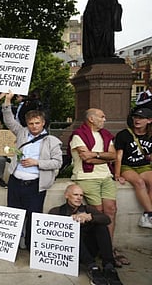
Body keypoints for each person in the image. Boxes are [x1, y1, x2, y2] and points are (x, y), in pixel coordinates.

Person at [2, 92, 62, 249]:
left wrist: (37, 162)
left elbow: (58, 162)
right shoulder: (22, 133)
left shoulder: (52, 141)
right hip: (16, 181)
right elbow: (9, 120)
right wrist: (8, 100)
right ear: (27, 124)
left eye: (37, 123)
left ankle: (31, 246)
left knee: (34, 215)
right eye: (31, 123)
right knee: (14, 214)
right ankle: (12, 246)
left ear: (43, 123)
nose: (34, 126)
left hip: (35, 184)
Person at [68, 108, 128, 267]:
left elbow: (113, 156)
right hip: (87, 177)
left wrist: (95, 154)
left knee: (111, 210)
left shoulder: (106, 135)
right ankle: (101, 249)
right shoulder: (78, 135)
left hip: (106, 177)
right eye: (102, 116)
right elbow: (86, 159)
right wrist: (103, 155)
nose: (105, 119)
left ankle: (108, 248)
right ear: (91, 119)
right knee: (99, 213)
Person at [49, 184, 123, 285]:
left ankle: (109, 266)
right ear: (66, 195)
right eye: (75, 194)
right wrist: (70, 220)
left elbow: (107, 220)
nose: (79, 198)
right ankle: (93, 267)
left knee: (101, 227)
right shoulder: (56, 211)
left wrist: (90, 217)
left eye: (81, 195)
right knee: (73, 231)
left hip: (89, 247)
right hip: (72, 252)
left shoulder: (87, 209)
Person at [114, 107, 152, 229]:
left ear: (149, 120)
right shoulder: (123, 135)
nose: (137, 120)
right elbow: (118, 156)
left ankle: (147, 215)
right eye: (135, 117)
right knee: (139, 183)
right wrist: (117, 174)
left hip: (144, 166)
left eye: (141, 118)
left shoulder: (150, 135)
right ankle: (150, 214)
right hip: (127, 166)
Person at [83, 0, 122, 65]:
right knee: (97, 41)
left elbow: (116, 8)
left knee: (108, 37)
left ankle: (109, 53)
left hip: (107, 22)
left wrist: (117, 8)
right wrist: (90, 24)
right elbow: (87, 13)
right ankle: (98, 54)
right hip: (96, 24)